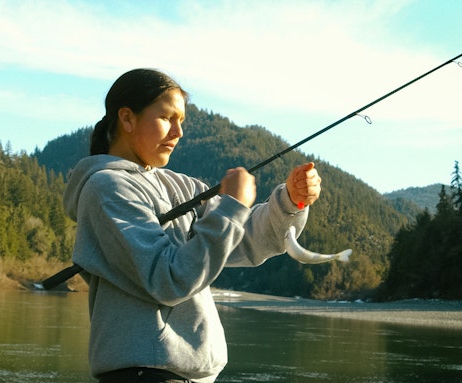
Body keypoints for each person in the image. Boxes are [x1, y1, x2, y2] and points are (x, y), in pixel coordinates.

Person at [63, 68, 321, 383]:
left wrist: (290, 202)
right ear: (127, 119)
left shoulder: (182, 186)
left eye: (181, 121)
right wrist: (232, 207)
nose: (178, 132)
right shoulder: (106, 188)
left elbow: (247, 239)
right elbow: (168, 280)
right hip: (146, 374)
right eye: (167, 118)